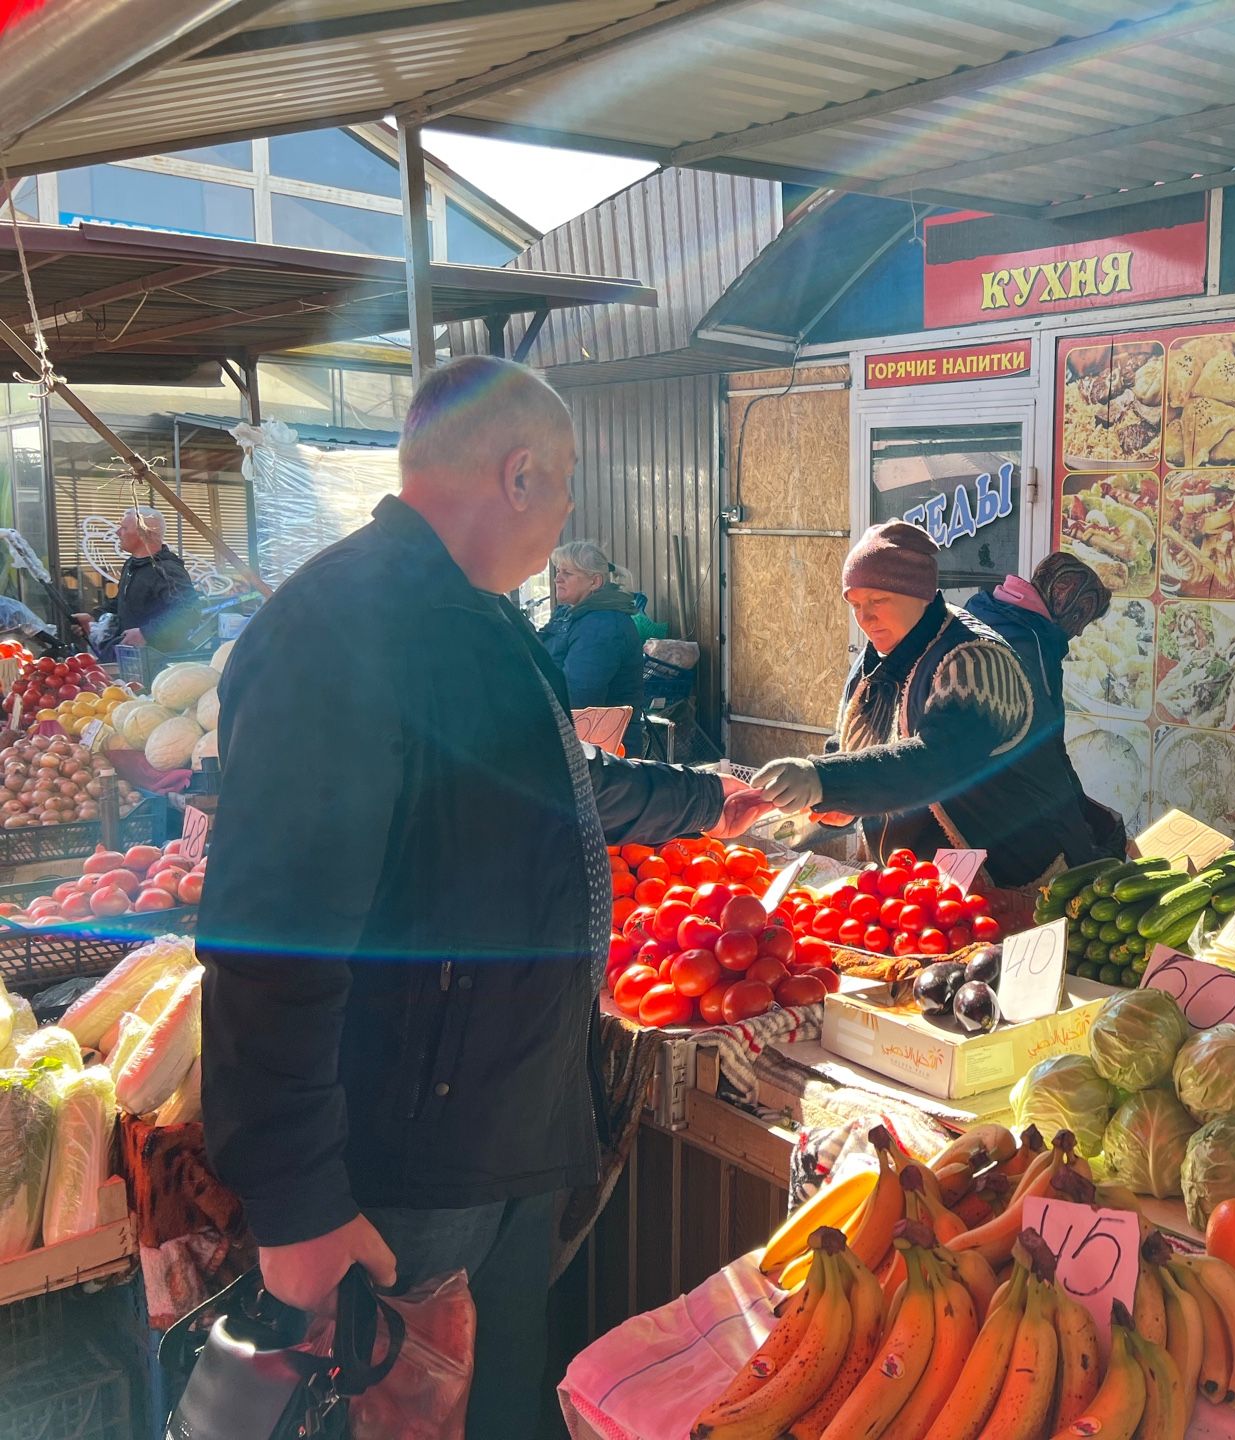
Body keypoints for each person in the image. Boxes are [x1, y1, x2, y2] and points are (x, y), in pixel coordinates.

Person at [196, 357, 769, 1439]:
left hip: (501, 1130)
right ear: (518, 476)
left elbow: (559, 785)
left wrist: (700, 801)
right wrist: (299, 1198)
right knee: (399, 1409)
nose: (563, 519)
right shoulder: (344, 629)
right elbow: (269, 937)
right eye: (562, 490)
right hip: (404, 1162)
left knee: (497, 1399)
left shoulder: (487, 619)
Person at [751, 522, 1099, 888]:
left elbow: (939, 762)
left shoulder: (974, 661)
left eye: (877, 601)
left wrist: (824, 779)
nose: (864, 618)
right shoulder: (877, 661)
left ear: (918, 594)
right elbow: (852, 744)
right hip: (927, 885)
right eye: (855, 604)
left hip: (1022, 878)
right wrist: (837, 800)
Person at [963, 551, 1127, 860]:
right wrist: (1083, 852)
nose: (1078, 632)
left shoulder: (983, 613)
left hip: (966, 808)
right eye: (1082, 620)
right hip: (1002, 819)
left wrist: (1084, 808)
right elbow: (1042, 761)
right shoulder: (1030, 646)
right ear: (1069, 607)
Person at [540, 538, 649, 751]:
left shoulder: (604, 626)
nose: (557, 579)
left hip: (604, 751)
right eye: (557, 572)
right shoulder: (569, 615)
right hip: (579, 742)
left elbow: (578, 698)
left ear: (595, 582)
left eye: (567, 573)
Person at [72, 507, 202, 655]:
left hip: (160, 662)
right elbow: (124, 602)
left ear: (146, 533)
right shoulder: (131, 565)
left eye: (124, 528)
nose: (118, 532)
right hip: (133, 659)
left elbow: (190, 611)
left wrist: (146, 634)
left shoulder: (166, 570)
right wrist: (93, 616)